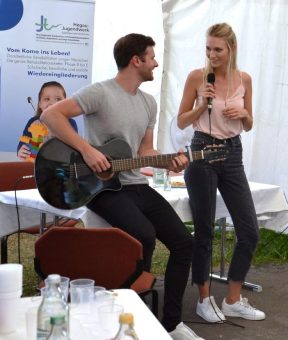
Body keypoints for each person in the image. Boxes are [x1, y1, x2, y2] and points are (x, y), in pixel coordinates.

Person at [41, 33, 204, 340]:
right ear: (136, 60)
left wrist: (168, 162)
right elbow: (51, 115)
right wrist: (87, 150)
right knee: (143, 234)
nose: (156, 63)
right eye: (152, 57)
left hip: (134, 184)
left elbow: (145, 151)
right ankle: (129, 319)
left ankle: (170, 323)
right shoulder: (100, 93)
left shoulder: (149, 103)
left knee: (185, 243)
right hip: (99, 188)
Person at [177, 23, 265, 323]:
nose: (212, 54)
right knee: (204, 230)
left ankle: (232, 298)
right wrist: (202, 104)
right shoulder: (196, 78)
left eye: (218, 49)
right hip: (201, 151)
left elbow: (250, 123)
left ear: (231, 49)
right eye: (208, 48)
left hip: (232, 153)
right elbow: (181, 121)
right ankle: (203, 298)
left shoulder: (245, 80)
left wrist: (244, 115)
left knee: (250, 230)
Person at [17, 81, 78, 162]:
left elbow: (74, 148)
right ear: (40, 104)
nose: (51, 103)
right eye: (47, 99)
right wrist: (20, 151)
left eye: (58, 99)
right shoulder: (33, 122)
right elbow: (23, 142)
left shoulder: (70, 123)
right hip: (35, 165)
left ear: (65, 103)